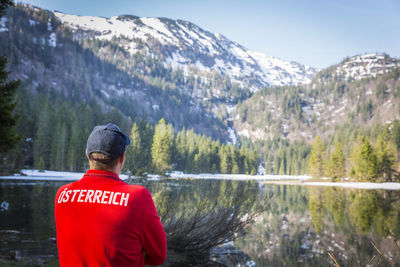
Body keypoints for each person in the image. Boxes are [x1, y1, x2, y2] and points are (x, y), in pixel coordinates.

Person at [55, 123, 167, 266]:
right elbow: (158, 256)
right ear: (122, 158)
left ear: (87, 154)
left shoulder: (63, 194)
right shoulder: (138, 197)